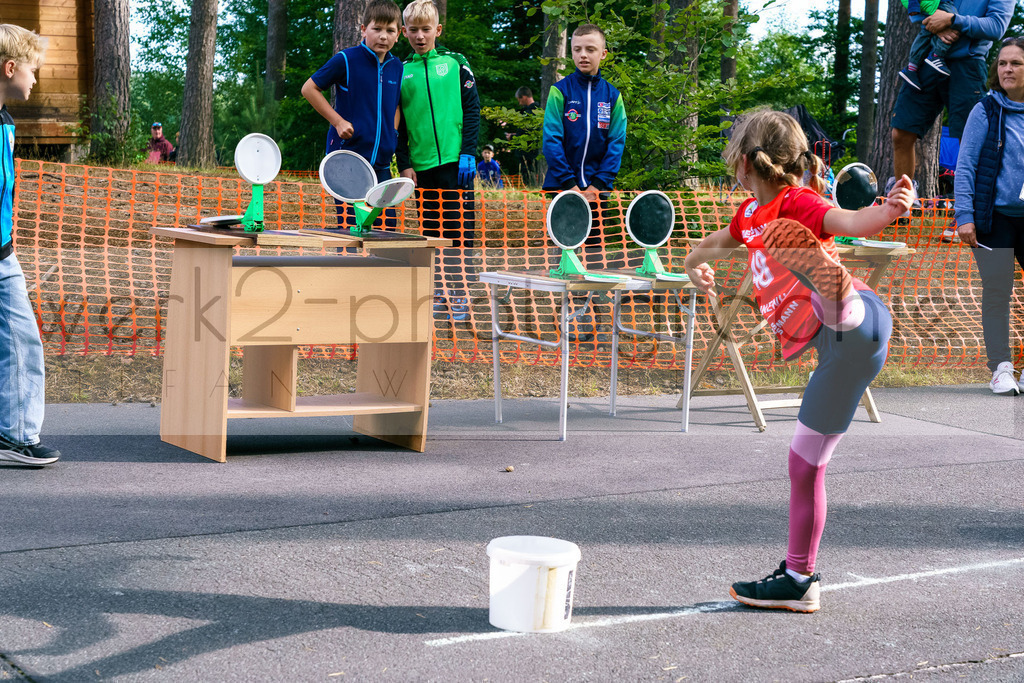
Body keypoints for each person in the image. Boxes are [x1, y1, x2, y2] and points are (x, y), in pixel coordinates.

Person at [684, 109, 914, 612]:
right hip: (838, 356)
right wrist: (694, 269)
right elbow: (708, 249)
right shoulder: (748, 217)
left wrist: (891, 210)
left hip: (856, 323)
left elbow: (851, 221)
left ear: (743, 163)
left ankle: (836, 297)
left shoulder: (800, 202)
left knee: (837, 307)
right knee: (804, 464)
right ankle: (798, 579)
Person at [396, 0, 480, 323]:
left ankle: (461, 292)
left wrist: (469, 151)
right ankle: (440, 289)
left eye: (426, 29)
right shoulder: (402, 71)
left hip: (458, 164)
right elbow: (398, 126)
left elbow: (472, 109)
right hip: (423, 167)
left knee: (460, 230)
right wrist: (404, 163)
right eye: (413, 30)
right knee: (431, 230)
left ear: (438, 30)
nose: (420, 36)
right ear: (404, 32)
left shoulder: (456, 63)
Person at [541, 23, 627, 340]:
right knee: (565, 252)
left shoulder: (612, 97)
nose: (583, 55)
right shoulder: (559, 92)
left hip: (596, 192)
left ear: (603, 54)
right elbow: (551, 139)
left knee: (592, 254)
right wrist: (570, 185)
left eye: (590, 49)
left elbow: (616, 143)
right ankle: (562, 317)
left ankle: (592, 315)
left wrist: (599, 186)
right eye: (577, 49)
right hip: (562, 190)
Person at [0, 24, 60, 467]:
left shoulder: (5, 121)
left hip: (4, 252)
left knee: (18, 341)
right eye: (33, 70)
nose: (35, 79)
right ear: (9, 67)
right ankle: (16, 437)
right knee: (21, 341)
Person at [954, 37, 1024, 395]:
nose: (1007, 69)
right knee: (997, 293)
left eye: (1015, 63)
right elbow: (965, 166)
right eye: (1002, 63)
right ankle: (1000, 369)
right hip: (995, 219)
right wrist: (964, 215)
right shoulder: (986, 110)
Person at [890, 0, 1013, 199]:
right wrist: (935, 26)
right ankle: (903, 204)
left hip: (968, 65)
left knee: (969, 140)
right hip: (927, 59)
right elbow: (920, 4)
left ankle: (966, 209)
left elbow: (996, 26)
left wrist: (953, 20)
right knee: (901, 132)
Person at [302, 0, 403, 228]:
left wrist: (392, 134)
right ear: (363, 28)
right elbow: (309, 88)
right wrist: (337, 122)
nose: (383, 36)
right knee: (352, 231)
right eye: (377, 29)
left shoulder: (397, 67)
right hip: (348, 161)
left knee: (386, 231)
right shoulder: (346, 60)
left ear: (399, 34)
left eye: (390, 31)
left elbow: (396, 106)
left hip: (382, 166)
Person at [898, 0, 960, 92]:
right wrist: (913, 7)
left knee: (927, 32)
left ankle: (912, 68)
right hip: (936, 4)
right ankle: (937, 56)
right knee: (954, 21)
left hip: (932, 4)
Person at [507, 86, 541, 186]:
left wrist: (512, 138)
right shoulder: (535, 110)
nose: (519, 103)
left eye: (519, 99)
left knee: (529, 175)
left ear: (525, 97)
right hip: (530, 150)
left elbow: (527, 133)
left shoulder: (531, 112)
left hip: (528, 152)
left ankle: (532, 190)